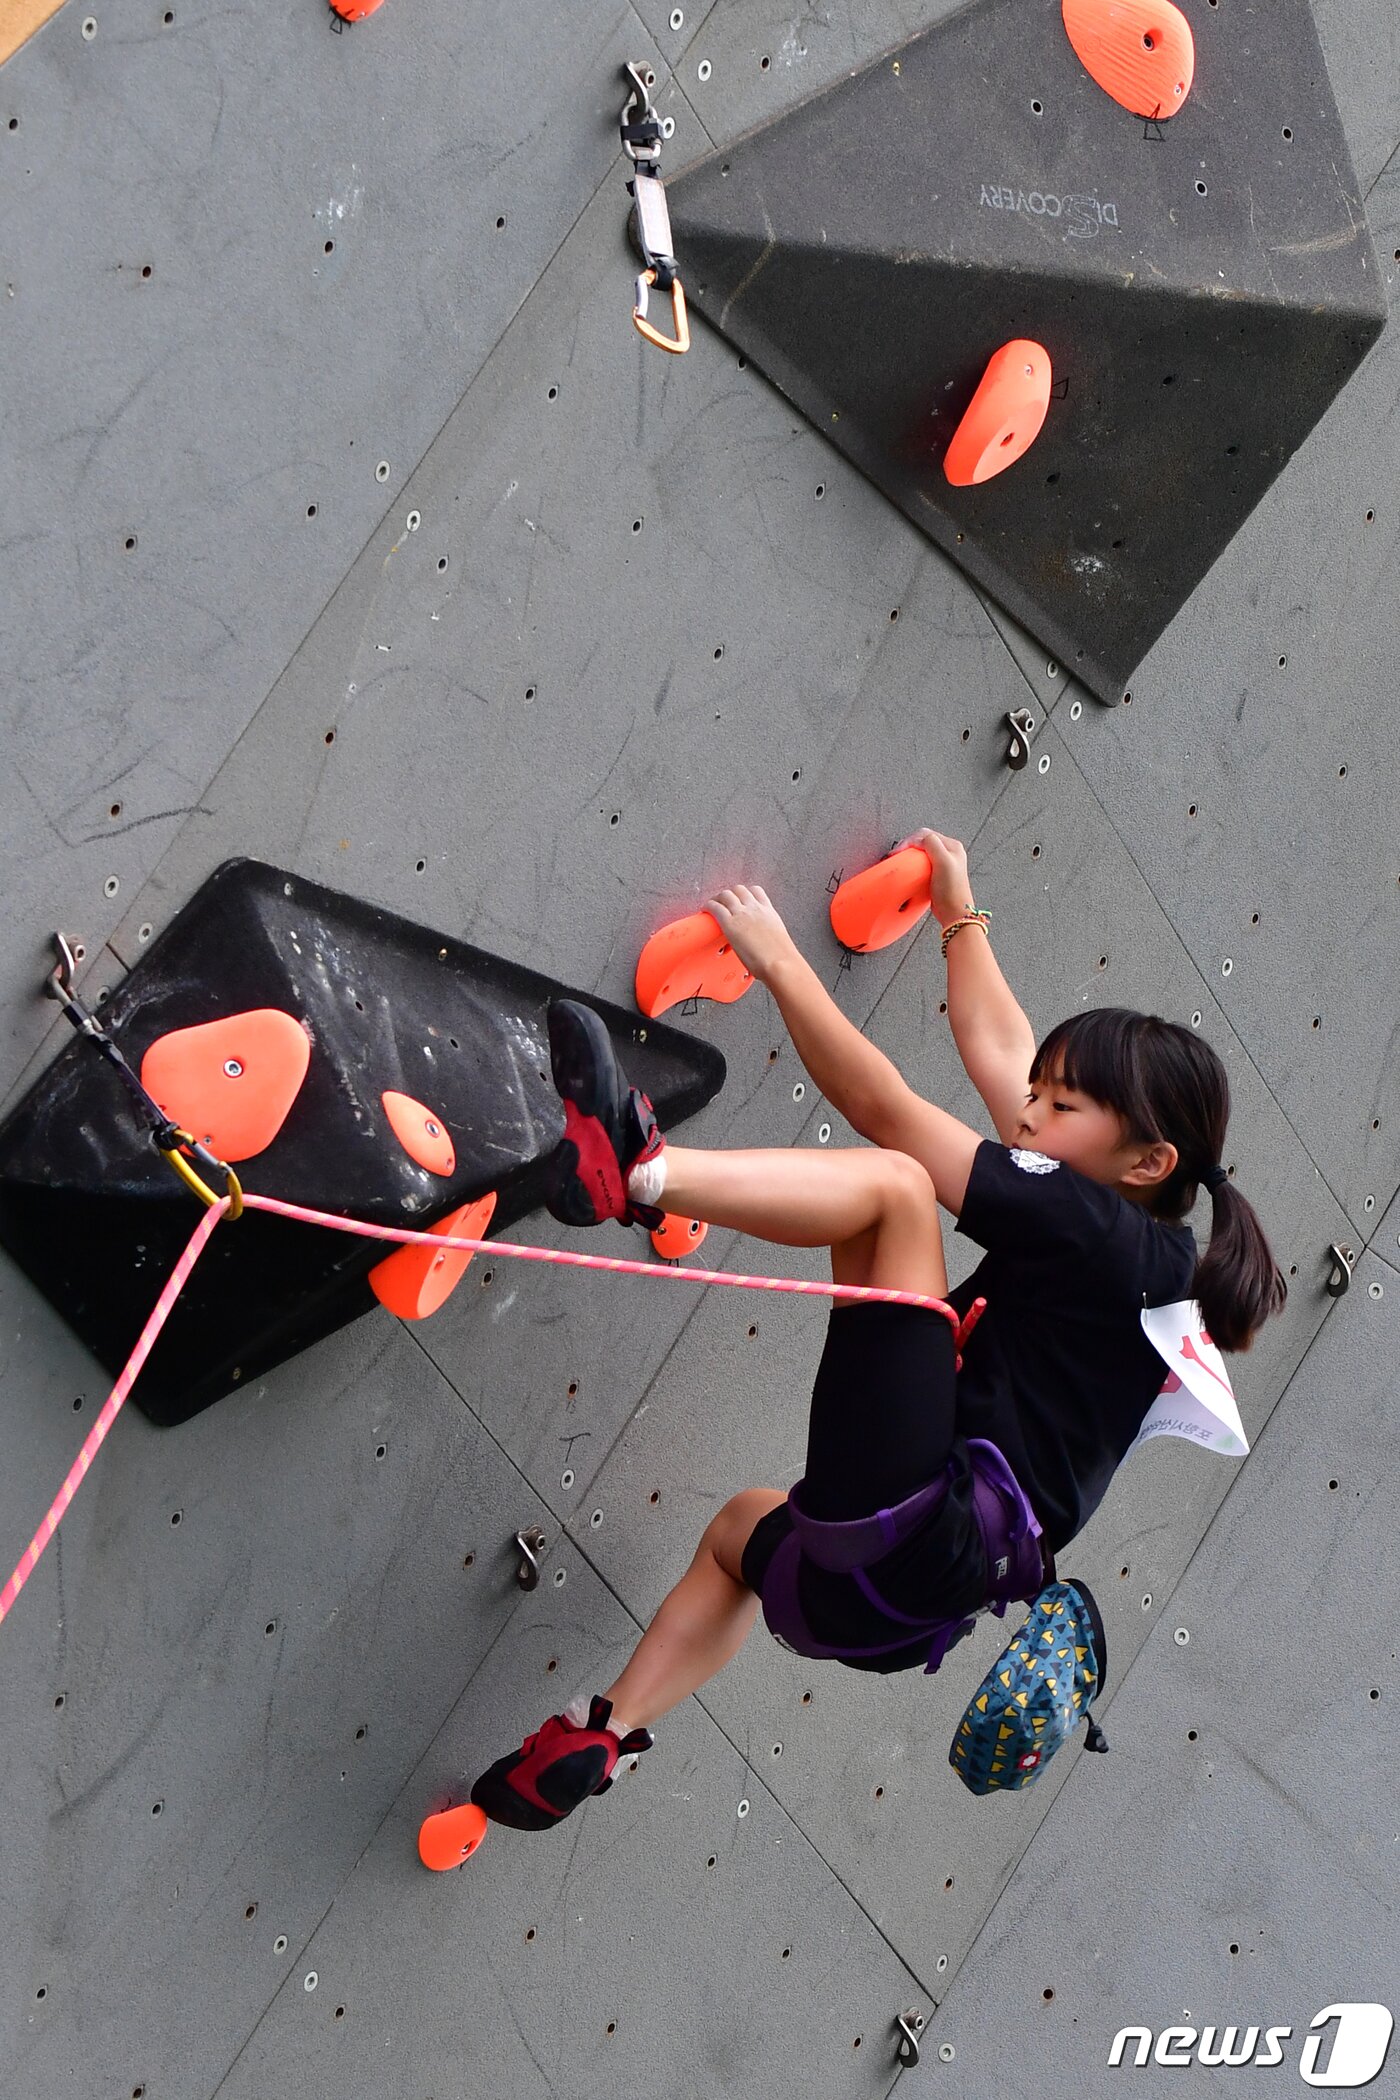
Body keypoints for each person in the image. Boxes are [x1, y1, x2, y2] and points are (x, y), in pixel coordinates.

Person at [470, 831, 1288, 1832]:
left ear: (1145, 1161)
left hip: (923, 1521)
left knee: (897, 1193)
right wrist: (957, 912)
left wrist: (774, 957)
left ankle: (637, 1171)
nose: (1027, 1114)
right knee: (737, 1534)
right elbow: (1002, 1050)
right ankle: (603, 1735)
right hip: (889, 1616)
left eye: (1059, 1104)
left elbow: (884, 1110)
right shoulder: (1143, 1264)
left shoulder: (1099, 1230)